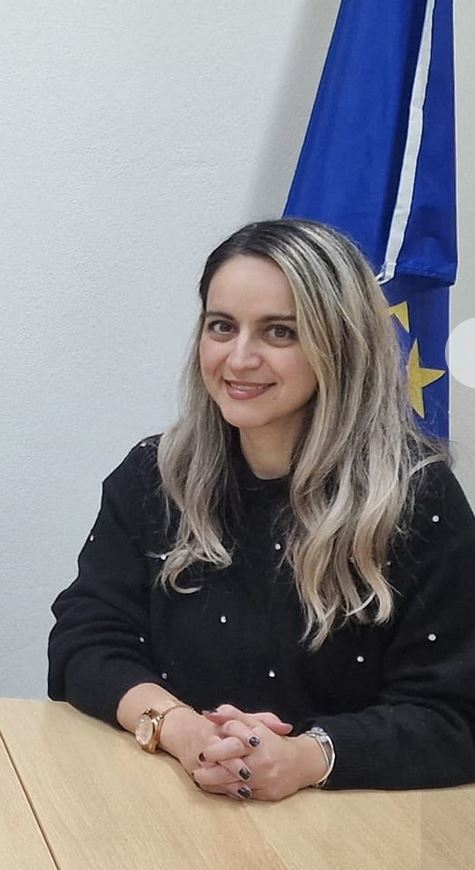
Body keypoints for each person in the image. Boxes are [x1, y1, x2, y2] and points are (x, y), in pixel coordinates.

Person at [48, 219, 475, 800]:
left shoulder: (418, 497)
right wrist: (183, 731)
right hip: (173, 796)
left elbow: (454, 714)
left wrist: (305, 758)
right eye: (222, 326)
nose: (240, 357)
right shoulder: (155, 473)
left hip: (353, 821)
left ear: (340, 343)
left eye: (280, 332)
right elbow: (85, 639)